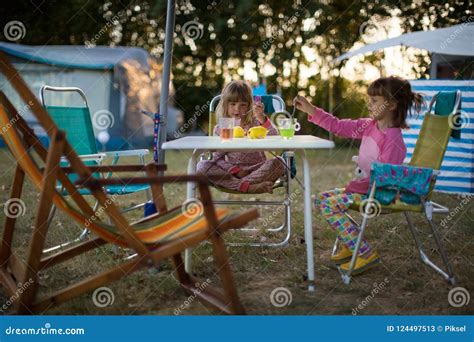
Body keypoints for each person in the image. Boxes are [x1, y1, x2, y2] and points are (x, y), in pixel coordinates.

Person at [294, 76, 423, 275]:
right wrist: (311, 110)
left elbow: (385, 181)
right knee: (321, 200)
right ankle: (351, 239)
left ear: (391, 105)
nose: (368, 104)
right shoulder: (369, 126)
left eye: (374, 101)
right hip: (364, 189)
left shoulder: (394, 141)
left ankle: (364, 252)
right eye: (369, 100)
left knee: (330, 204)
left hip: (378, 194)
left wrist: (360, 185)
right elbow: (338, 126)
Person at [197, 80, 285, 193]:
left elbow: (275, 138)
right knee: (202, 165)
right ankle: (250, 187)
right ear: (225, 105)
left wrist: (262, 118)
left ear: (250, 106)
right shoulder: (222, 128)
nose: (237, 109)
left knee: (280, 163)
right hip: (232, 172)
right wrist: (235, 170)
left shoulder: (256, 122)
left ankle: (241, 185)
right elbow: (216, 157)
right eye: (233, 104)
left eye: (242, 105)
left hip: (258, 168)